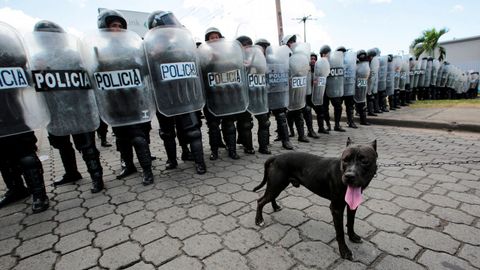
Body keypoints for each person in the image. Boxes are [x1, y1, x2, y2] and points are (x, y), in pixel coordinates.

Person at [31, 20, 104, 193]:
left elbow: (91, 74)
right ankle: (71, 173)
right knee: (61, 144)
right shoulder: (37, 59)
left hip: (79, 108)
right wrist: (37, 71)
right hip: (55, 111)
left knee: (87, 145)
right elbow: (31, 83)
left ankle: (96, 177)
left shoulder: (74, 56)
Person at [95, 9, 155, 183]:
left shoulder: (132, 48)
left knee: (138, 136)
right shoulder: (99, 50)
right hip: (114, 101)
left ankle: (147, 170)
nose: (117, 28)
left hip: (133, 99)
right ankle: (128, 165)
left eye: (120, 26)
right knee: (121, 138)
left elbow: (143, 70)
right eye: (113, 25)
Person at [144, 10, 206, 174]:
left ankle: (198, 160)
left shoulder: (183, 43)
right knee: (167, 132)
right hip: (163, 96)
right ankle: (172, 160)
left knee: (192, 129)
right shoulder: (147, 47)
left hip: (184, 94)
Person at [0, 23, 49, 212]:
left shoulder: (7, 45)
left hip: (13, 113)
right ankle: (16, 189)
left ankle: (39, 194)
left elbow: (25, 73)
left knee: (25, 155)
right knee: (3, 158)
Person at [201, 27, 241, 159]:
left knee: (229, 124)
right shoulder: (202, 54)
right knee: (213, 126)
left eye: (216, 36)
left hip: (227, 95)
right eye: (211, 37)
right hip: (211, 96)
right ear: (207, 40)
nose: (215, 39)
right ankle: (214, 151)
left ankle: (232, 150)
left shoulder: (229, 52)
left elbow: (235, 68)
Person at [236, 36, 271, 154]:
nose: (247, 48)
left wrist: (253, 64)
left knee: (264, 122)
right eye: (243, 45)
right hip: (244, 96)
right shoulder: (235, 58)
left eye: (248, 45)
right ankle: (248, 147)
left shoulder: (259, 57)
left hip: (258, 94)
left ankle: (263, 146)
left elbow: (264, 70)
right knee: (246, 124)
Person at [283, 34, 309, 142]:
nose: (293, 43)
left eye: (294, 40)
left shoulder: (300, 55)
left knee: (298, 111)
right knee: (288, 112)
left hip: (298, 87)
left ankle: (301, 135)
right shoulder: (284, 55)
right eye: (291, 41)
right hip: (287, 88)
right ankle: (290, 132)